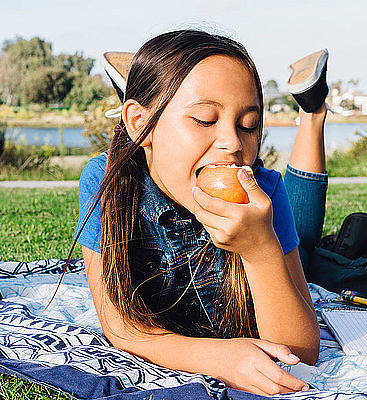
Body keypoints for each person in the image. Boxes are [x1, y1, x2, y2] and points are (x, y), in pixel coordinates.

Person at [73, 30, 329, 396]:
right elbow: (122, 329)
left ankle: (312, 109)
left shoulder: (264, 189)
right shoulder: (106, 181)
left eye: (249, 126)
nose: (233, 143)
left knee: (305, 246)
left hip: (270, 231)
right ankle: (150, 96)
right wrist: (216, 357)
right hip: (141, 143)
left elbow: (300, 352)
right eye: (206, 120)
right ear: (138, 124)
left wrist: (261, 252)